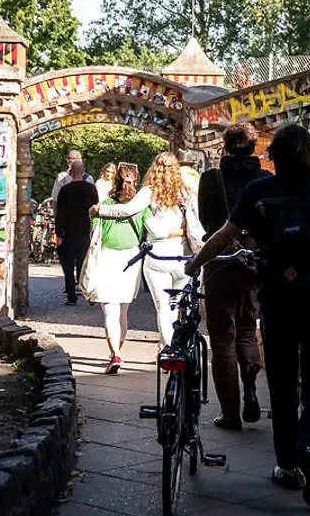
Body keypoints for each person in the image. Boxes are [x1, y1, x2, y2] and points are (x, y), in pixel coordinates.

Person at [187, 123, 310, 510]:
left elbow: (225, 235)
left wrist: (197, 261)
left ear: (274, 155)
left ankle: (288, 466)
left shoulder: (260, 192)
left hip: (277, 300)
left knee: (281, 384)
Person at [196, 123, 265, 431]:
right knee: (248, 329)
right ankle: (250, 382)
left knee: (222, 338)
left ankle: (230, 413)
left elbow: (206, 220)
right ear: (253, 148)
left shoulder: (212, 178)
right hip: (253, 261)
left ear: (224, 146)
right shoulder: (265, 179)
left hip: (220, 259)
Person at [95, 152, 203, 350]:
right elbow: (197, 223)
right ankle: (171, 348)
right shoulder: (186, 193)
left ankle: (167, 349)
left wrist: (100, 210)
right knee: (177, 306)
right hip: (184, 257)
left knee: (163, 307)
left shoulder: (149, 192)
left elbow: (127, 210)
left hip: (158, 257)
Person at [83, 162, 147, 373]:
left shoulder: (106, 204)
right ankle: (115, 354)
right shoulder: (140, 205)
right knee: (123, 311)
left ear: (115, 181)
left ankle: (116, 356)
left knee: (110, 309)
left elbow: (94, 232)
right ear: (135, 180)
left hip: (108, 256)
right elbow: (149, 230)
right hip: (132, 258)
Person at [53, 153, 99, 305]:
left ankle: (71, 297)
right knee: (84, 265)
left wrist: (59, 233)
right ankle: (89, 294)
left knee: (68, 267)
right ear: (83, 171)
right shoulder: (91, 188)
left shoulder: (65, 190)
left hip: (69, 232)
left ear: (71, 172)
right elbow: (96, 210)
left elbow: (61, 213)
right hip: (85, 231)